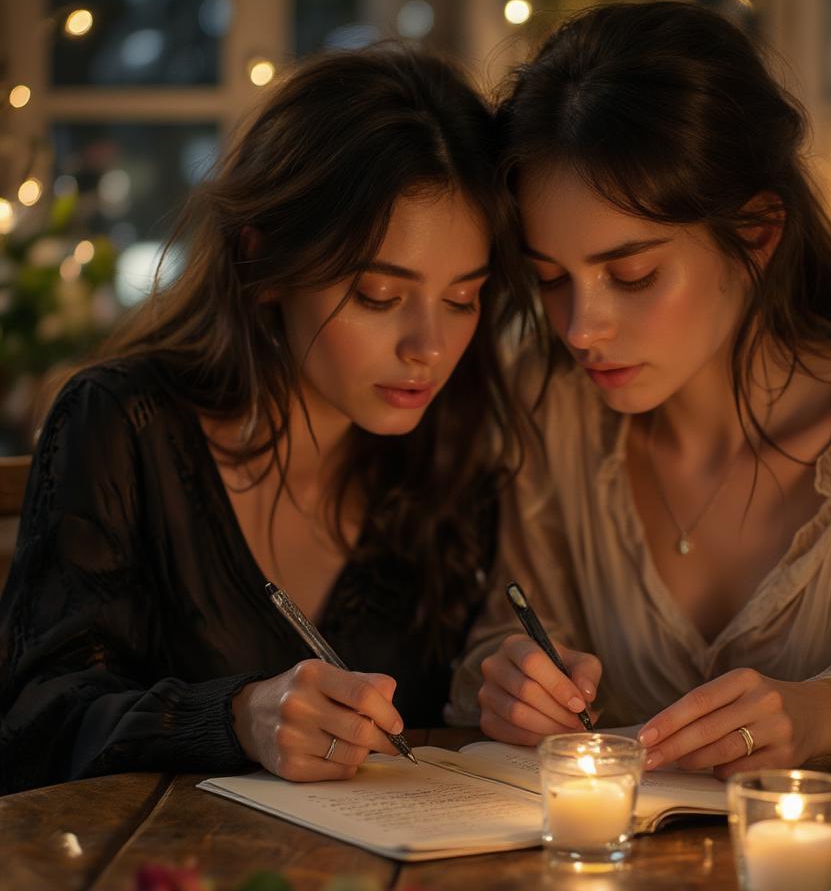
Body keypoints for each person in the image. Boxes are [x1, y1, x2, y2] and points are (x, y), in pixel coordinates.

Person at [448, 1, 831, 783]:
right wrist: (508, 679)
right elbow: (505, 632)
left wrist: (828, 711)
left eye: (633, 275)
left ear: (756, 235)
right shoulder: (552, 407)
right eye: (550, 279)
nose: (581, 328)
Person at [0, 47, 525, 793]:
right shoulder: (123, 426)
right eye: (379, 294)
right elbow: (33, 730)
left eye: (464, 298)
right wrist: (238, 715)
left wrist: (510, 690)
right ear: (266, 259)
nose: (429, 348)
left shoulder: (448, 454)